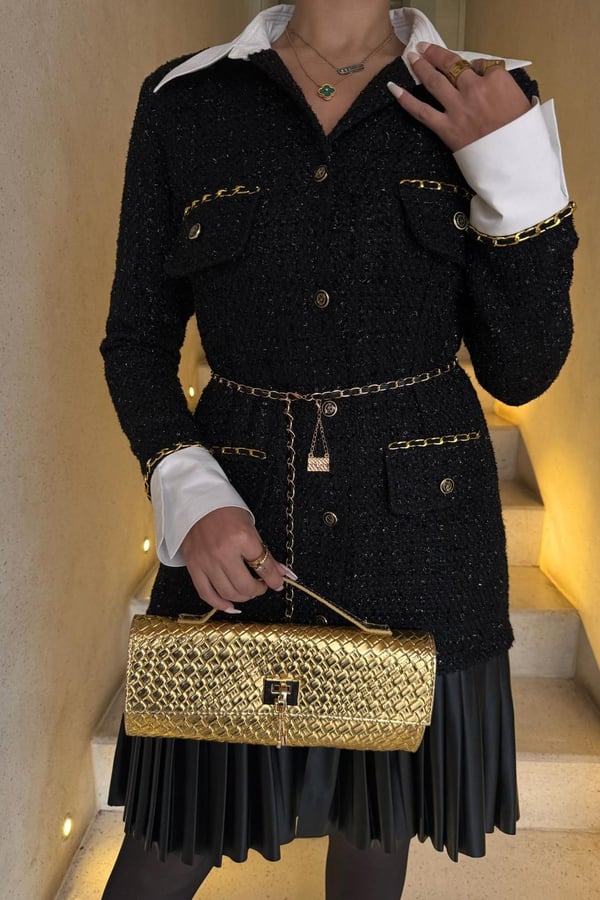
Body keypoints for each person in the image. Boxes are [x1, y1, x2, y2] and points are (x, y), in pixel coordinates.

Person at [99, 3, 578, 898]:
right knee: (170, 838)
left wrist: (513, 164)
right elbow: (136, 342)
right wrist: (191, 498)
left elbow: (523, 369)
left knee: (374, 825)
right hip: (237, 530)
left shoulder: (486, 93)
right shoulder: (185, 99)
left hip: (422, 538)